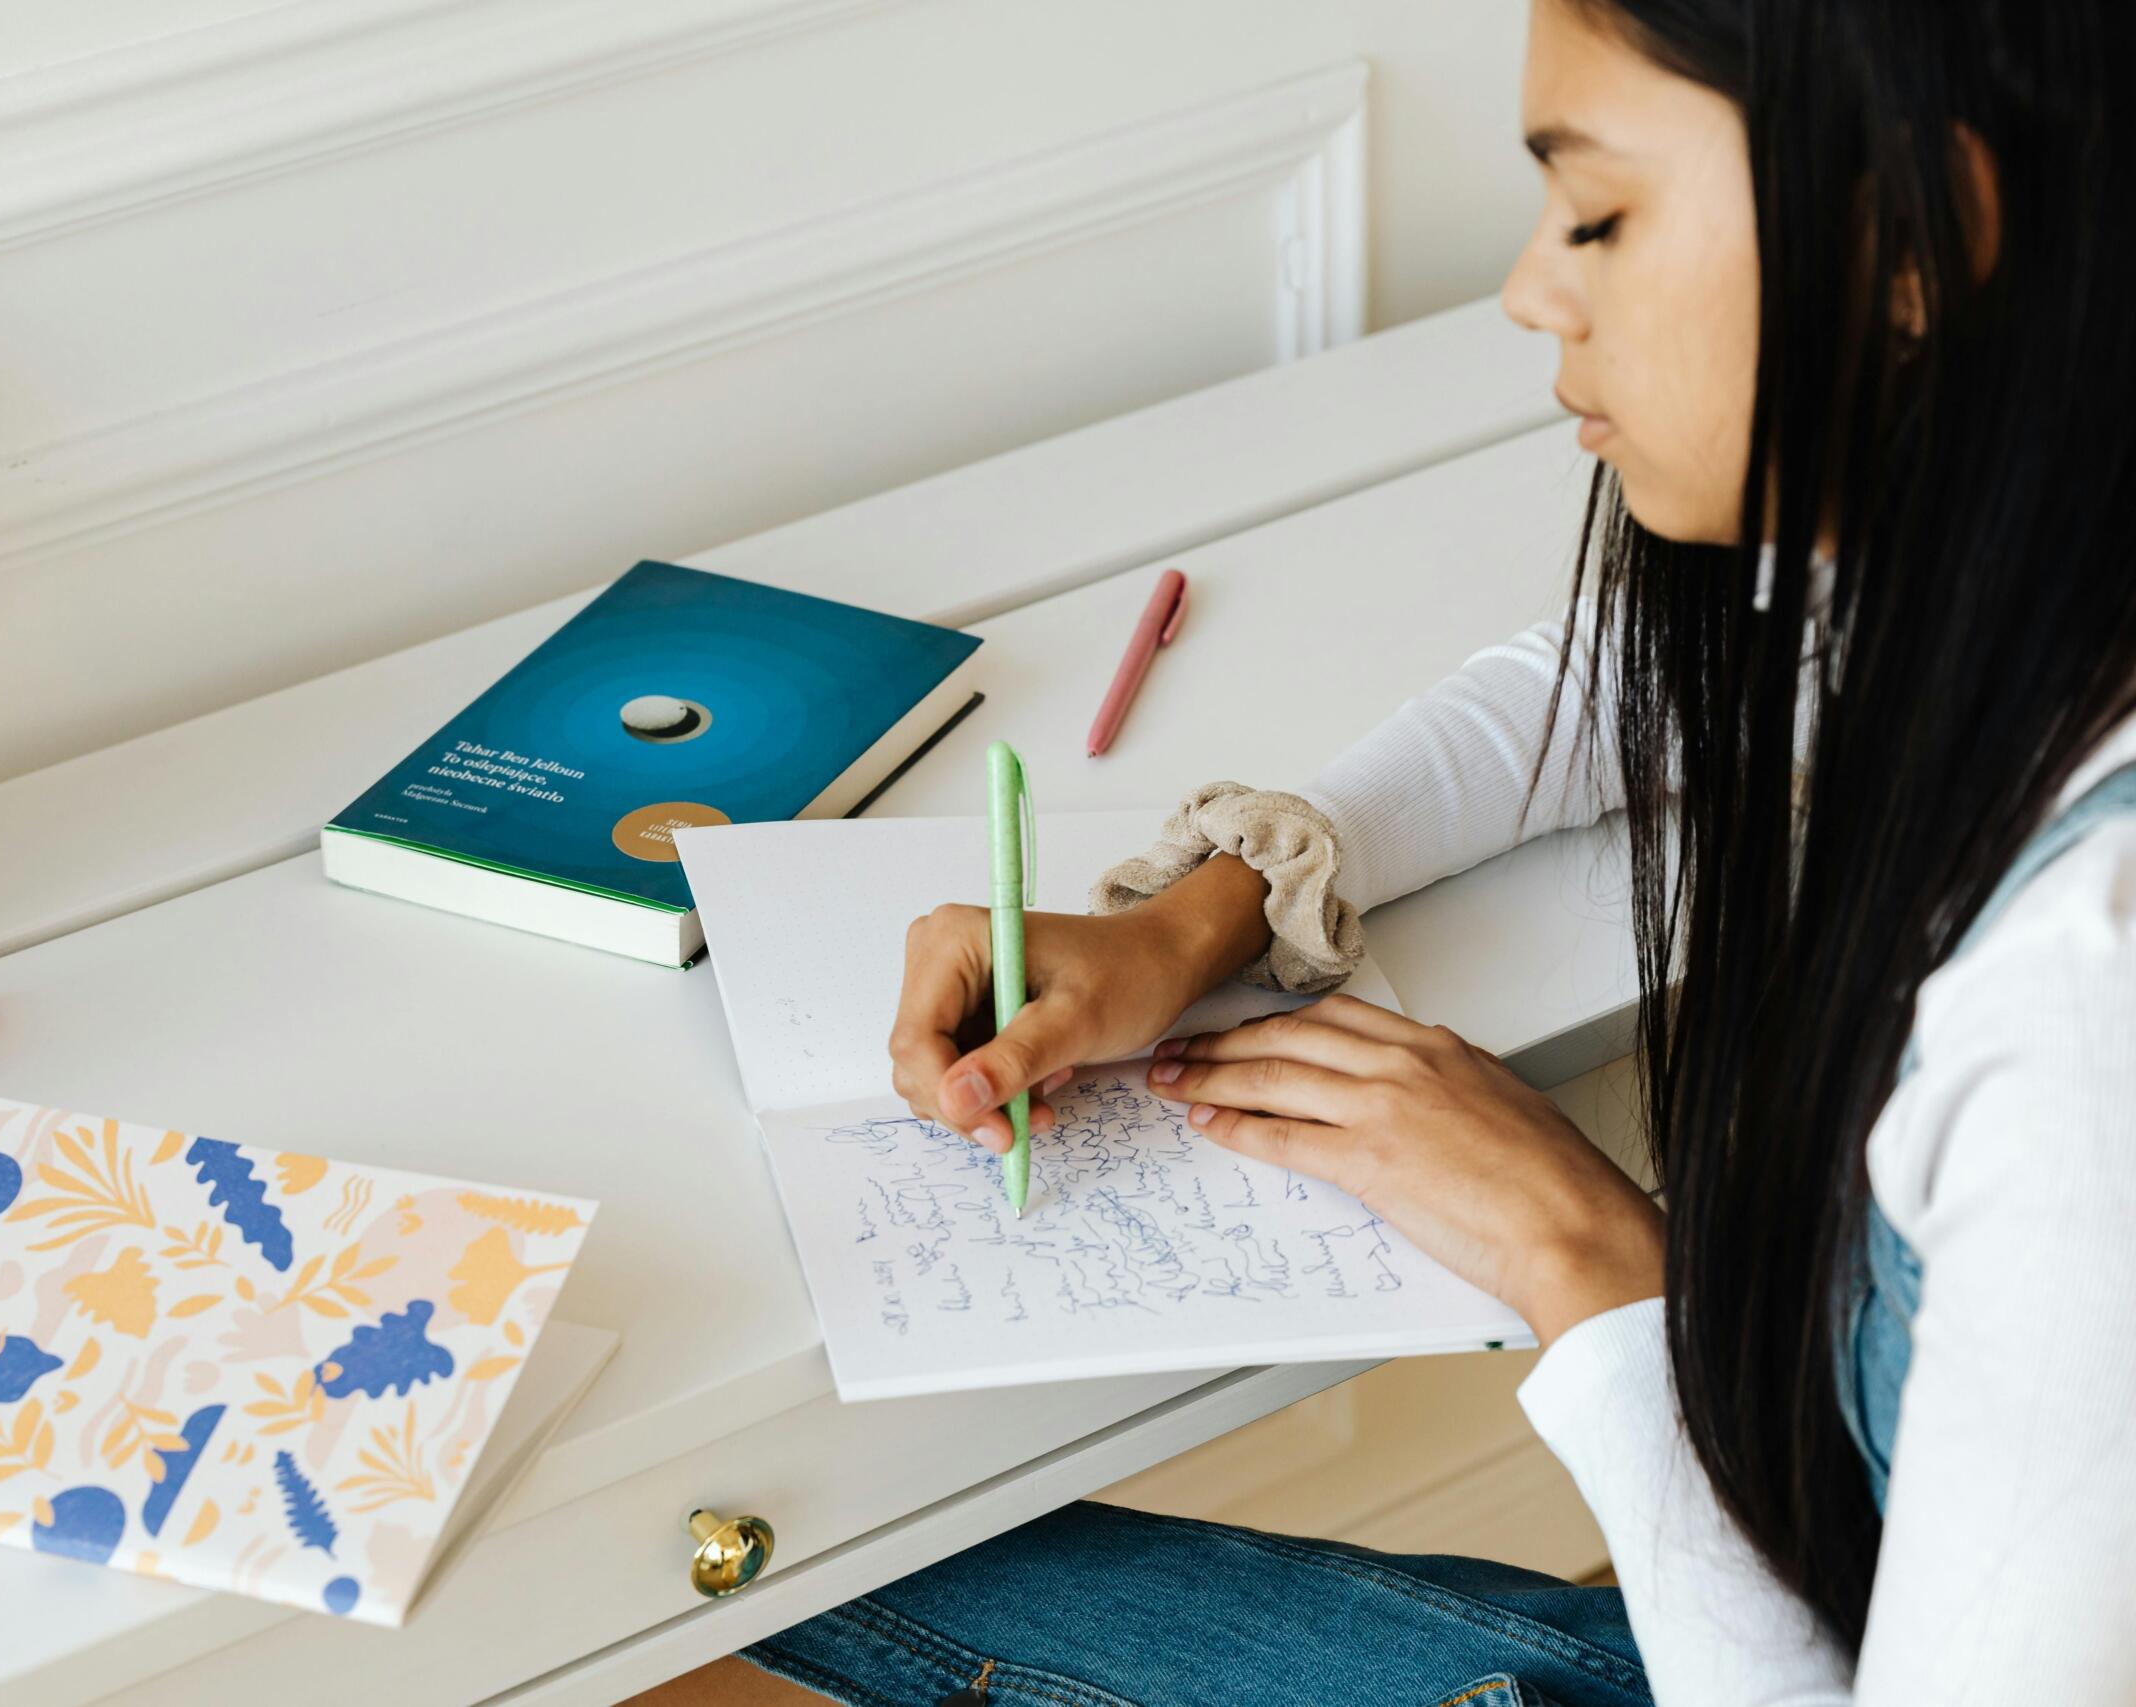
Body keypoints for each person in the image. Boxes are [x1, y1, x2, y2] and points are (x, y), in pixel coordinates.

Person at [670, 0, 2136, 1701]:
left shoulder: (2086, 1028)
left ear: (1922, 238)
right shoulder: (2030, 569)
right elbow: (1618, 693)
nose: (1532, 288)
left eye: (1597, 213)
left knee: (791, 1553)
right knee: (814, 1551)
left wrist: (1582, 1258)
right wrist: (1209, 911)